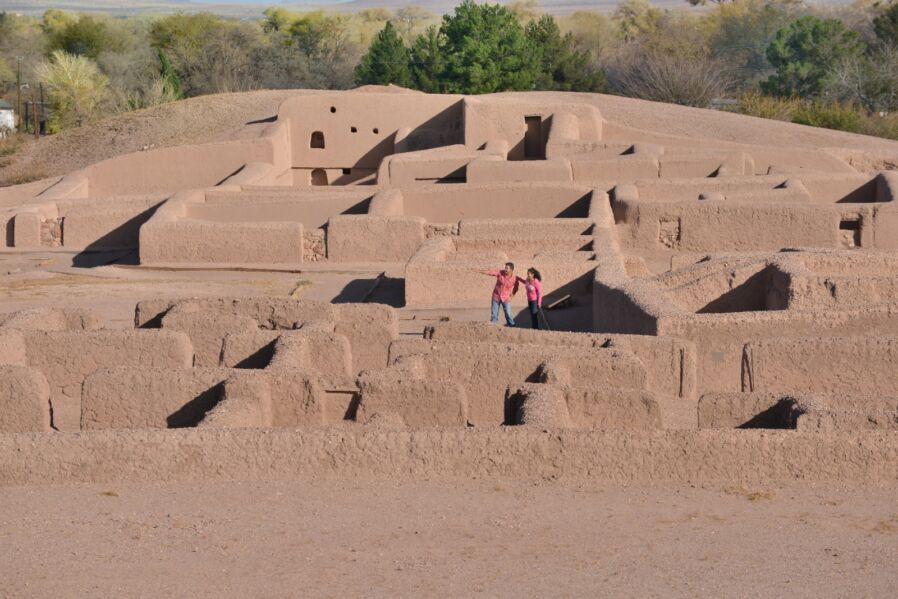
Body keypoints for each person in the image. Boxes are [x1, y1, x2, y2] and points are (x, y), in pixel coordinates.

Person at [476, 262, 519, 326]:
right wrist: (481, 271)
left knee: (508, 313)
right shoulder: (500, 272)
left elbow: (516, 288)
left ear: (511, 270)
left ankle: (511, 325)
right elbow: (491, 272)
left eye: (507, 268)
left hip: (506, 298)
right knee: (494, 313)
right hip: (496, 296)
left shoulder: (514, 278)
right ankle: (493, 325)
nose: (505, 269)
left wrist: (512, 296)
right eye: (505, 268)